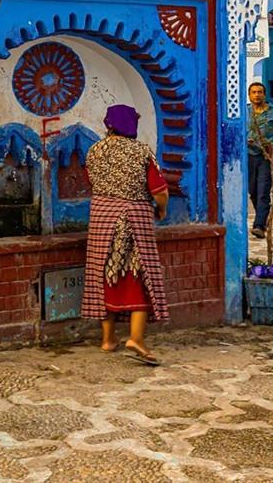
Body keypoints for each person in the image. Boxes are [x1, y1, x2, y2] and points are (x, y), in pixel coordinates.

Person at [81, 104, 169, 365]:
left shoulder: (94, 151)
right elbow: (159, 191)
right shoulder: (141, 151)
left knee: (104, 275)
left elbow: (90, 181)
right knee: (139, 276)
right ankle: (136, 338)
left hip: (101, 219)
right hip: (134, 220)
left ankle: (108, 340)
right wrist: (162, 208)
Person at [247, 81, 273, 240]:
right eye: (254, 92)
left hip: (267, 157)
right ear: (249, 95)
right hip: (249, 155)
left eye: (260, 92)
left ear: (264, 95)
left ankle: (259, 226)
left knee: (263, 190)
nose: (257, 95)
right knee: (253, 191)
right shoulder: (245, 112)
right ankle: (263, 219)